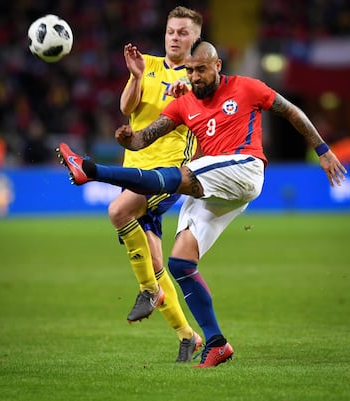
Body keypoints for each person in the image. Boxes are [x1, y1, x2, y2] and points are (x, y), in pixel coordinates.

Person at [56, 40, 347, 367]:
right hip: (215, 186)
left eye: (201, 69)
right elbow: (144, 138)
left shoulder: (247, 88)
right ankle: (216, 342)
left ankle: (91, 170)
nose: (194, 76)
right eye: (190, 70)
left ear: (217, 65)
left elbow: (291, 111)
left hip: (245, 168)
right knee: (180, 263)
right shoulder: (184, 104)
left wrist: (323, 150)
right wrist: (128, 139)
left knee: (181, 175)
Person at [109, 6, 203, 363]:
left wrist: (189, 95)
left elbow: (203, 121)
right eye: (170, 31)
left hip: (167, 173)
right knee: (153, 260)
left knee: (118, 211)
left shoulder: (199, 77)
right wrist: (135, 77)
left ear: (195, 39)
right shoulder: (146, 64)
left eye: (182, 33)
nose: (174, 38)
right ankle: (188, 336)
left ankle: (147, 291)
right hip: (133, 169)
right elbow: (126, 109)